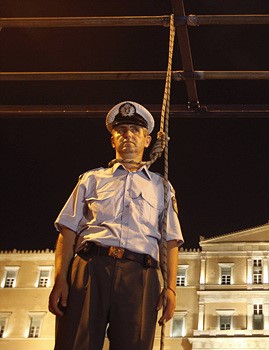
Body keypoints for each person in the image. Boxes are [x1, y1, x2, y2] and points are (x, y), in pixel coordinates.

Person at [48, 101, 184, 350]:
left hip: (140, 275)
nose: (127, 135)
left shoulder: (161, 187)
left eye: (134, 130)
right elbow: (67, 230)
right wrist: (60, 279)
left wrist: (171, 289)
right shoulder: (91, 179)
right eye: (121, 131)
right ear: (113, 140)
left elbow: (171, 241)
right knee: (76, 343)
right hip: (89, 268)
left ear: (147, 140)